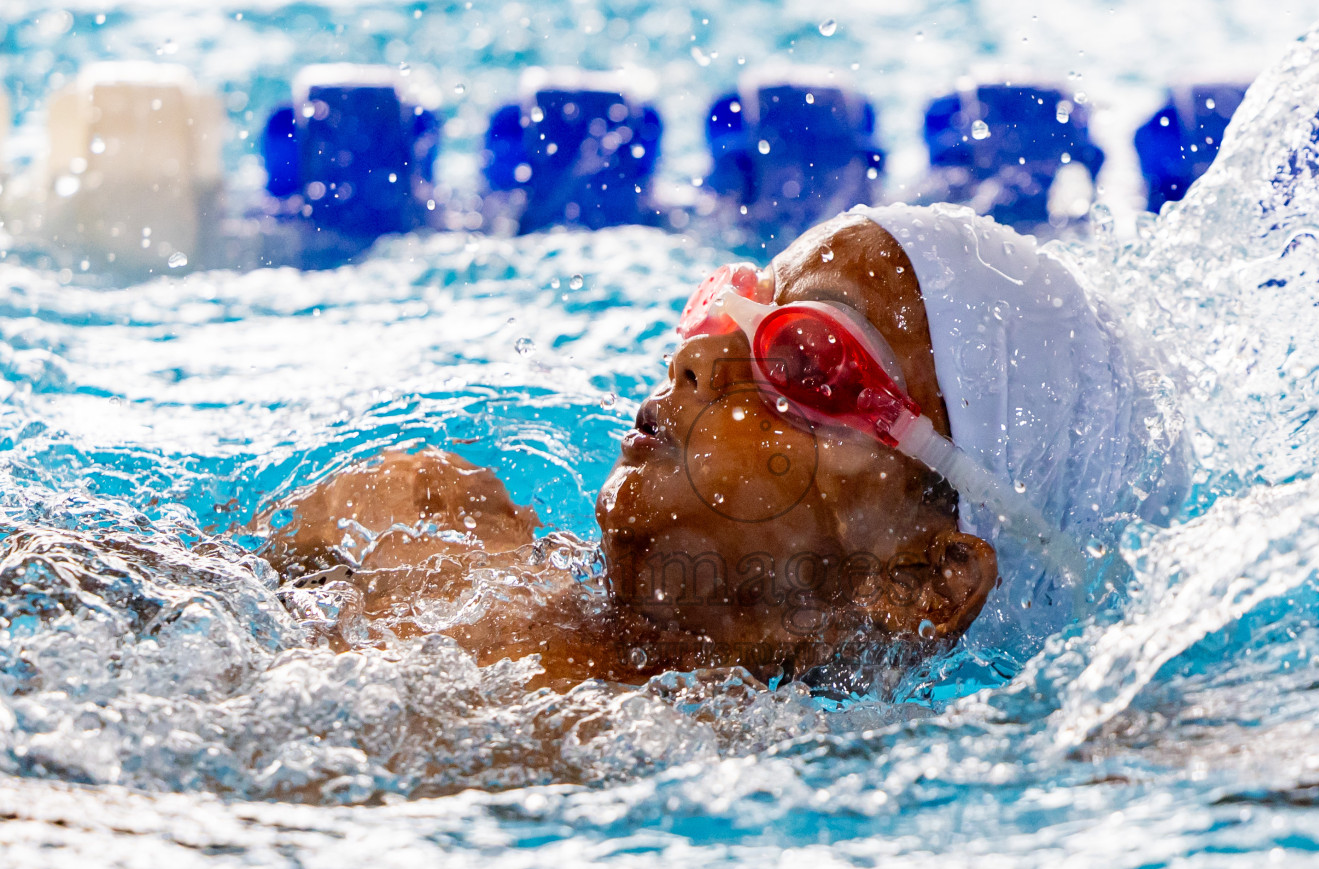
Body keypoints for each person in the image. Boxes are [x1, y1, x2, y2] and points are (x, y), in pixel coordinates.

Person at [256, 203, 1185, 692]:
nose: (698, 356)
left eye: (809, 359)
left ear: (925, 585)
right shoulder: (440, 530)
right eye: (735, 306)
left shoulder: (714, 773)